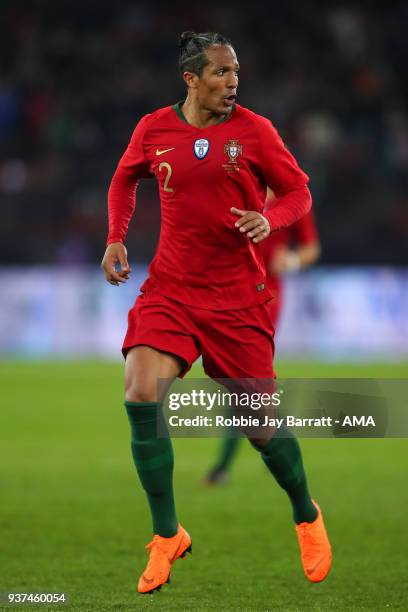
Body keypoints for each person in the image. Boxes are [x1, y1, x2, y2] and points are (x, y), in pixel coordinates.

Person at [101, 31, 332, 594]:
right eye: (221, 73)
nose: (233, 82)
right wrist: (115, 238)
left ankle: (306, 513)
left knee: (260, 428)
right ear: (191, 79)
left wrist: (270, 220)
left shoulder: (256, 131)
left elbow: (298, 192)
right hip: (172, 289)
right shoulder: (154, 128)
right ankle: (166, 535)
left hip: (236, 299)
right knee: (140, 391)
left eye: (235, 73)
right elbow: (124, 178)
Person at [204, 207, 321, 485]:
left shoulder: (290, 199)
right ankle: (270, 435)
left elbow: (311, 248)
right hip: (224, 294)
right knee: (237, 385)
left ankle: (224, 467)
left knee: (241, 385)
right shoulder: (233, 184)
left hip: (264, 298)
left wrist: (291, 261)